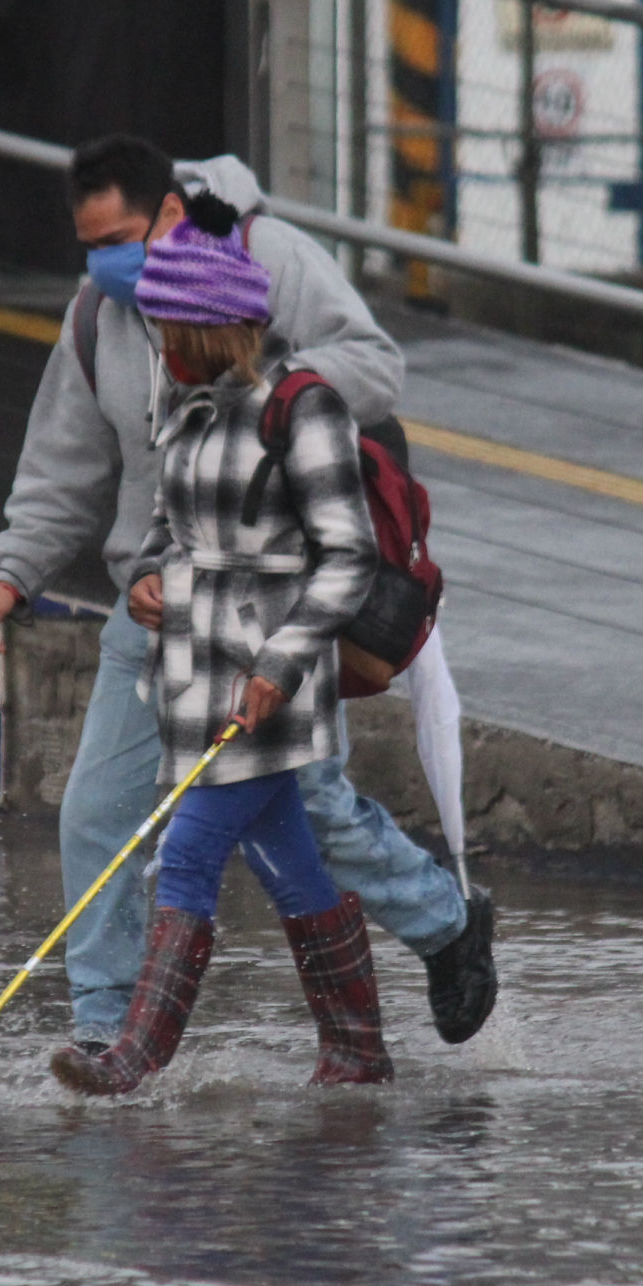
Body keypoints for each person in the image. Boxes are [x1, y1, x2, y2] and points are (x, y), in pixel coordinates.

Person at [0, 136, 498, 1052]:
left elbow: (375, 364)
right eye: (89, 248)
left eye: (120, 239)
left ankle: (441, 928)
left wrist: (269, 392)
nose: (106, 266)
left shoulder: (266, 263)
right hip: (158, 608)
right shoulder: (99, 318)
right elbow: (63, 470)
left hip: (271, 613)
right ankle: (109, 1030)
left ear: (169, 212)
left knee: (303, 815)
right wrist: (12, 577)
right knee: (100, 813)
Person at [54, 219, 389, 1094]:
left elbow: (348, 554)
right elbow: (169, 530)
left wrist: (280, 664)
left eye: (171, 330)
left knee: (189, 852)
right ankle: (356, 1048)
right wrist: (147, 583)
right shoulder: (185, 406)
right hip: (197, 680)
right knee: (293, 865)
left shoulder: (304, 406)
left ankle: (134, 1056)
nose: (160, 346)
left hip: (270, 681)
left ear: (209, 327)